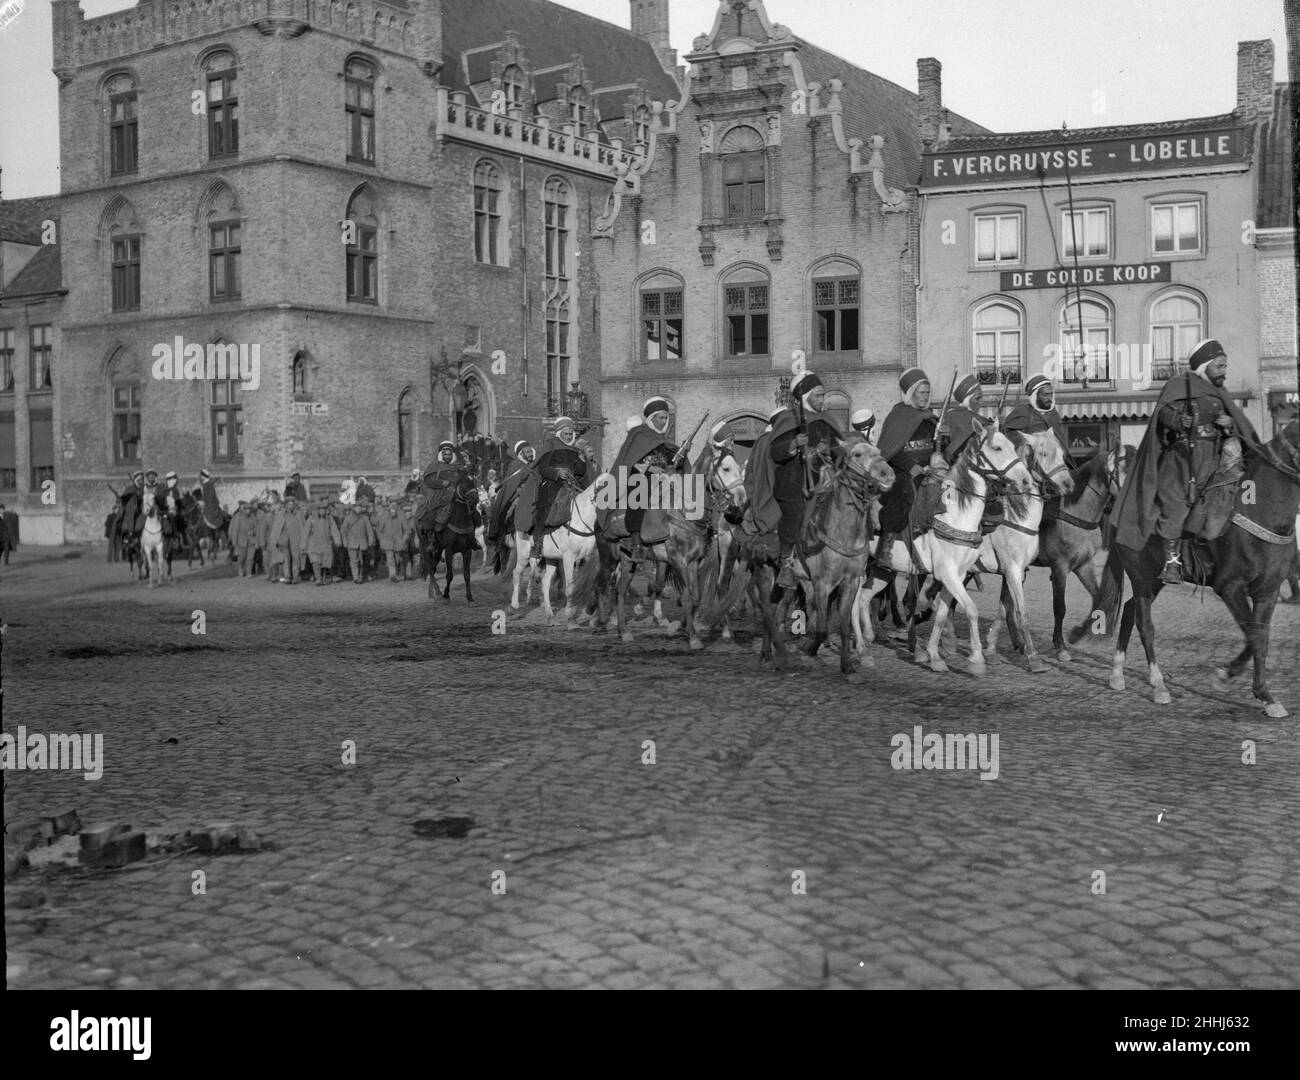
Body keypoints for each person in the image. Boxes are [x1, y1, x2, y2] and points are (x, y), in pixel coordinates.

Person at [1111, 339, 1262, 584]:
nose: (1224, 371)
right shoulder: (1179, 385)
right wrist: (1179, 421)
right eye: (1219, 366)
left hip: (1213, 458)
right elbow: (1162, 413)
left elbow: (1237, 428)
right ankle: (1172, 563)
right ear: (1204, 365)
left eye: (1225, 366)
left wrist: (1230, 424)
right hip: (1182, 460)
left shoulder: (1218, 393)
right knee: (1175, 505)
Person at [604, 398, 685, 544]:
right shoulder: (639, 434)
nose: (664, 421)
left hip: (663, 477)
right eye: (661, 418)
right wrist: (649, 468)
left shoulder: (661, 439)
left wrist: (680, 454)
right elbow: (629, 460)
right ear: (652, 418)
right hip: (640, 476)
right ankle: (635, 539)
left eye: (666, 418)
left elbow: (671, 459)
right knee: (639, 489)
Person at [874, 369, 938, 554]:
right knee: (904, 492)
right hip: (901, 469)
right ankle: (886, 546)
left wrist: (943, 439)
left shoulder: (930, 418)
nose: (925, 397)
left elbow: (936, 447)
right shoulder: (898, 416)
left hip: (929, 469)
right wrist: (912, 467)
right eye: (921, 392)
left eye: (928, 392)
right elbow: (891, 450)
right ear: (911, 393)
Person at [521, 416, 589, 558]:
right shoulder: (550, 445)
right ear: (559, 433)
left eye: (571, 434)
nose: (569, 436)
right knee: (546, 506)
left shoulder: (574, 450)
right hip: (552, 483)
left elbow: (581, 471)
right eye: (566, 434)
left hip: (571, 483)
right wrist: (557, 472)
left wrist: (581, 460)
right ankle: (537, 542)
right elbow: (542, 467)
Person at [1003, 373, 1069, 454]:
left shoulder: (1054, 415)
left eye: (1051, 394)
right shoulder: (1022, 412)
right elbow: (1008, 438)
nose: (1050, 398)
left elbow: (1062, 446)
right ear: (1035, 395)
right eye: (1046, 395)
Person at [487, 440, 535, 546]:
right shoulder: (516, 465)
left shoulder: (535, 465)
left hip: (534, 493)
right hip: (519, 494)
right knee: (510, 509)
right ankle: (503, 532)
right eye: (527, 452)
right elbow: (512, 484)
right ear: (522, 454)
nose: (530, 454)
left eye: (531, 451)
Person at [268, 496, 306, 584]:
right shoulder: (281, 514)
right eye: (289, 504)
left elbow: (303, 526)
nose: (290, 506)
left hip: (296, 539)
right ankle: (287, 576)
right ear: (286, 505)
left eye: (292, 504)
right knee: (286, 559)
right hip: (284, 539)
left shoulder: (299, 514)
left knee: (296, 558)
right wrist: (276, 539)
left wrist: (303, 540)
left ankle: (295, 577)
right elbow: (276, 528)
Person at [305, 500, 343, 585]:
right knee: (315, 561)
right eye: (320, 509)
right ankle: (318, 578)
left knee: (327, 561)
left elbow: (334, 530)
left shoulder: (329, 518)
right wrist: (304, 544)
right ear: (317, 510)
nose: (322, 511)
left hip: (326, 543)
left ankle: (325, 577)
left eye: (324, 509)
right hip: (314, 543)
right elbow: (306, 531)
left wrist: (337, 540)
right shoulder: (312, 518)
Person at [342, 502, 376, 583]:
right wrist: (345, 542)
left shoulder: (365, 518)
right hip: (351, 543)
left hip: (362, 543)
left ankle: (361, 576)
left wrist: (371, 540)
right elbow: (343, 531)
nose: (358, 509)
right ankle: (355, 577)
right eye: (357, 507)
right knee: (354, 561)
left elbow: (369, 531)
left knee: (362, 561)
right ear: (353, 508)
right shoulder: (348, 518)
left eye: (359, 507)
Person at [376, 501, 410, 582]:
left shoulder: (402, 518)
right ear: (389, 510)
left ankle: (400, 573)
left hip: (398, 542)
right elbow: (379, 530)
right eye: (391, 510)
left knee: (398, 559)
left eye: (394, 510)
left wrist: (404, 539)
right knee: (390, 559)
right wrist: (381, 539)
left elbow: (407, 530)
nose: (393, 512)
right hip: (387, 542)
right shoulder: (384, 518)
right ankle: (392, 575)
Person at [228, 501, 259, 577]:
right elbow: (235, 531)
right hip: (242, 541)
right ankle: (241, 568)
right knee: (242, 557)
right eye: (246, 509)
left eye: (249, 509)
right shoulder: (239, 518)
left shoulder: (253, 518)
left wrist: (253, 532)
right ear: (244, 510)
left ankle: (249, 572)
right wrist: (235, 543)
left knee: (250, 557)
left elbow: (257, 528)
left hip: (251, 540)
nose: (248, 511)